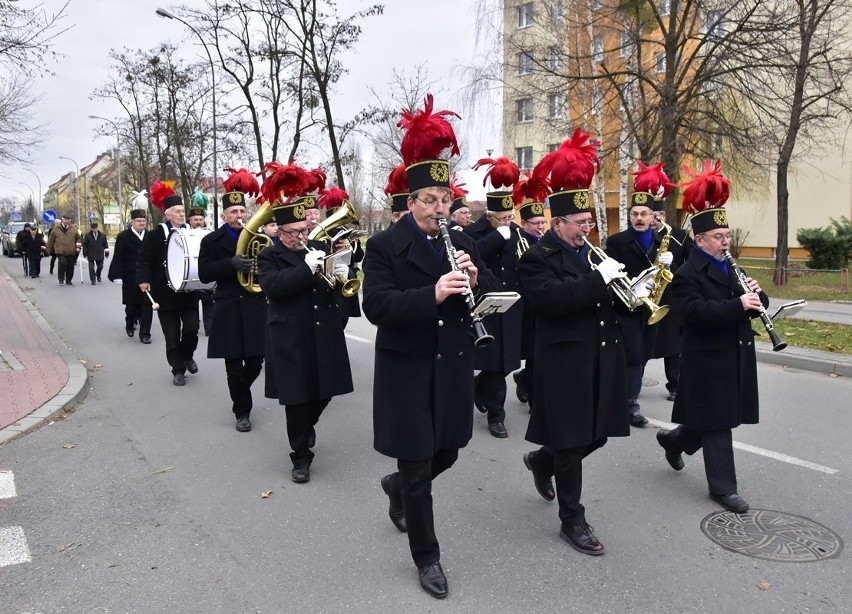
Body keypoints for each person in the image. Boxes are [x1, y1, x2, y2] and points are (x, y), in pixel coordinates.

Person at [362, 95, 498, 599]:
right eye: (430, 201)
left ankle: (396, 487)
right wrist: (432, 293)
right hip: (408, 371)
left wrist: (475, 279)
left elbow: (479, 297)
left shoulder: (461, 240)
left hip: (453, 366)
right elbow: (376, 305)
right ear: (410, 202)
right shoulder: (383, 248)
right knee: (418, 465)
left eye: (445, 200)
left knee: (450, 450)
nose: (441, 209)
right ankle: (427, 557)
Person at [517, 128, 630, 556]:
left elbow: (604, 301)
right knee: (571, 440)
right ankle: (572, 519)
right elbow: (552, 302)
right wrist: (598, 280)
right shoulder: (536, 257)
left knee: (595, 435)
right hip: (563, 361)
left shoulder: (588, 253)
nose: (587, 230)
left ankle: (540, 462)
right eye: (580, 224)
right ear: (558, 222)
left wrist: (628, 291)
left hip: (599, 357)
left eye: (589, 223)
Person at [656, 160, 766, 514]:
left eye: (727, 235)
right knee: (718, 423)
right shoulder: (687, 272)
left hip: (735, 352)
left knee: (711, 416)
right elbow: (693, 313)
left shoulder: (730, 264)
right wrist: (738, 305)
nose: (725, 241)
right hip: (707, 356)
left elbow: (753, 303)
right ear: (700, 240)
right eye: (718, 237)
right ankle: (723, 488)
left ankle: (674, 441)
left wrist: (758, 297)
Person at [257, 161, 353, 483]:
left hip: (322, 329)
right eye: (294, 232)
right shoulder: (268, 256)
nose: (301, 236)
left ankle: (305, 428)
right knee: (297, 399)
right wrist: (306, 269)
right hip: (290, 334)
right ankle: (300, 457)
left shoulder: (316, 247)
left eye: (303, 230)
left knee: (325, 391)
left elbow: (326, 288)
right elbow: (274, 287)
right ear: (280, 233)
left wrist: (338, 273)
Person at [604, 165, 675, 427]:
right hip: (626, 308)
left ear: (654, 216)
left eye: (645, 213)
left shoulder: (661, 243)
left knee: (642, 355)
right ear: (629, 215)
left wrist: (671, 263)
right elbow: (610, 274)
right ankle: (629, 406)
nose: (640, 218)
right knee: (633, 356)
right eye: (635, 213)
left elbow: (672, 278)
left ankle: (624, 398)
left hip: (651, 309)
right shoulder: (617, 242)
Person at [198, 172, 267, 433]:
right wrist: (231, 264)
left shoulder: (259, 239)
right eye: (233, 211)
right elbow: (205, 273)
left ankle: (240, 392)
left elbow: (269, 268)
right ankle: (242, 411)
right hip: (227, 305)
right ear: (224, 215)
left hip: (254, 304)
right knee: (233, 364)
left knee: (256, 361)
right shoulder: (210, 241)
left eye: (242, 210)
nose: (239, 215)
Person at [464, 156, 524, 439]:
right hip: (485, 304)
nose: (508, 223)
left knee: (501, 365)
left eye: (511, 218)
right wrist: (498, 237)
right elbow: (473, 254)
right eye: (503, 219)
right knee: (491, 361)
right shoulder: (472, 232)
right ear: (489, 217)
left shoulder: (516, 232)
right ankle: (496, 417)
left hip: (510, 304)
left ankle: (486, 397)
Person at [136, 182, 201, 386]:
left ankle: (187, 354)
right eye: (178, 211)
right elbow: (144, 259)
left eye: (183, 211)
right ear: (167, 215)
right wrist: (144, 280)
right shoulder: (155, 236)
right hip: (164, 294)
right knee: (171, 334)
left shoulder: (192, 233)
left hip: (188, 292)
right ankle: (178, 369)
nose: (182, 214)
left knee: (191, 328)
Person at [648, 186, 692, 401]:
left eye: (657, 216)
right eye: (650, 215)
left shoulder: (680, 236)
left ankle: (675, 384)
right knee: (642, 342)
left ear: (664, 216)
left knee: (673, 345)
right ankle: (631, 383)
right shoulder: (642, 236)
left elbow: (692, 263)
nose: (653, 220)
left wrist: (673, 265)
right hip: (648, 297)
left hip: (672, 298)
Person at [511, 182, 549, 408]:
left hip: (539, 303)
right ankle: (523, 378)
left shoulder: (546, 242)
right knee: (522, 352)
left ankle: (535, 397)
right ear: (524, 223)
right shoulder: (515, 240)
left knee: (537, 353)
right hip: (522, 303)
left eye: (543, 222)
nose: (541, 227)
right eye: (536, 223)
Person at [108, 206, 153, 344]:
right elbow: (118, 257)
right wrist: (117, 275)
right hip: (130, 276)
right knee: (132, 306)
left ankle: (145, 333)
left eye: (143, 221)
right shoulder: (124, 237)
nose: (141, 223)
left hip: (146, 276)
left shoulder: (150, 236)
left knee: (147, 305)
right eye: (138, 221)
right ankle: (130, 322)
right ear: (132, 222)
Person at [188, 204, 214, 336]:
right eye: (195, 219)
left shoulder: (210, 234)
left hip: (205, 272)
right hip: (190, 273)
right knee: (192, 303)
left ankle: (209, 328)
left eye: (200, 219)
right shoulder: (184, 233)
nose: (198, 222)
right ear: (190, 221)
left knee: (208, 302)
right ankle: (194, 325)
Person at [46, 214, 80, 286]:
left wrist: (78, 245)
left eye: (68, 220)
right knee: (62, 262)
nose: (66, 221)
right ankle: (61, 279)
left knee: (70, 266)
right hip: (60, 250)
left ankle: (68, 280)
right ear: (62, 219)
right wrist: (48, 249)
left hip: (71, 250)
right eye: (65, 220)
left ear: (70, 220)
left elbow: (78, 238)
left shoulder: (73, 228)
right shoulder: (56, 228)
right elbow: (51, 240)